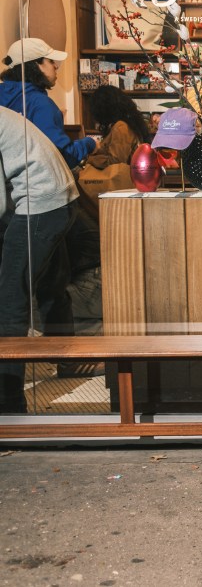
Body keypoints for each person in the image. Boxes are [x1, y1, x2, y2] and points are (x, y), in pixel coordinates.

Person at [0, 108, 79, 412]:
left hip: (41, 203)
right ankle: (67, 359)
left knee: (10, 299)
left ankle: (8, 401)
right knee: (50, 284)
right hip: (60, 197)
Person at [0, 38, 96, 167]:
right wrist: (90, 143)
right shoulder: (41, 104)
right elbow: (65, 156)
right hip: (34, 185)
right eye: (50, 61)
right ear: (36, 65)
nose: (56, 66)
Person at [77, 85, 153, 220]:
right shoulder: (124, 124)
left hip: (122, 187)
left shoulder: (121, 127)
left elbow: (116, 160)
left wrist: (88, 159)